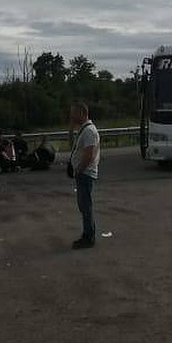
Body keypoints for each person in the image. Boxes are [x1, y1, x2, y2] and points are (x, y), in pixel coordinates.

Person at [69, 103, 100, 249]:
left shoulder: (88, 131)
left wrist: (79, 170)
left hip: (85, 174)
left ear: (82, 113)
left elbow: (88, 155)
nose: (71, 116)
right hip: (83, 173)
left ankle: (89, 237)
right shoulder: (83, 130)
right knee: (83, 206)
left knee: (86, 206)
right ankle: (87, 234)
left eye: (74, 113)